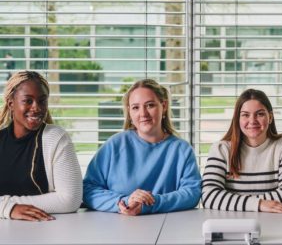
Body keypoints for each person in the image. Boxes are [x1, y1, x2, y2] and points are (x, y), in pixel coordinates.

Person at [83, 79, 201, 215]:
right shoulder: (114, 145)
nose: (143, 113)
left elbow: (192, 193)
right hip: (116, 227)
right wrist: (125, 202)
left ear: (164, 105)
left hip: (167, 226)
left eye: (150, 105)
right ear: (129, 112)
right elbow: (88, 189)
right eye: (135, 107)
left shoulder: (182, 150)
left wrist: (151, 203)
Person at [202, 88, 282, 213]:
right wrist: (259, 204)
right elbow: (209, 196)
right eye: (245, 115)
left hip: (277, 223)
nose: (252, 121)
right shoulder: (221, 150)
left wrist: (232, 202)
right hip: (230, 224)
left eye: (260, 114)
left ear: (270, 117)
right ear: (237, 119)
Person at [0, 70, 82, 221]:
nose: (36, 108)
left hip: (45, 227)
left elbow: (70, 199)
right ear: (11, 103)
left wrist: (7, 205)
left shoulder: (55, 138)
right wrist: (8, 208)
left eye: (42, 101)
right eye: (28, 100)